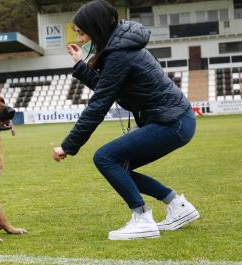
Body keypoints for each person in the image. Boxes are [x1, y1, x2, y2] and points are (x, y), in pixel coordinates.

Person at [51, 0, 199, 240]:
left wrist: (68, 146)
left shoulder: (119, 53)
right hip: (176, 120)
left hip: (171, 122)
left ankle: (142, 219)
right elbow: (107, 87)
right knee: (120, 165)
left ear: (95, 26)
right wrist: (80, 65)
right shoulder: (122, 46)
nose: (78, 37)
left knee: (105, 157)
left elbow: (99, 103)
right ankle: (178, 206)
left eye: (81, 31)